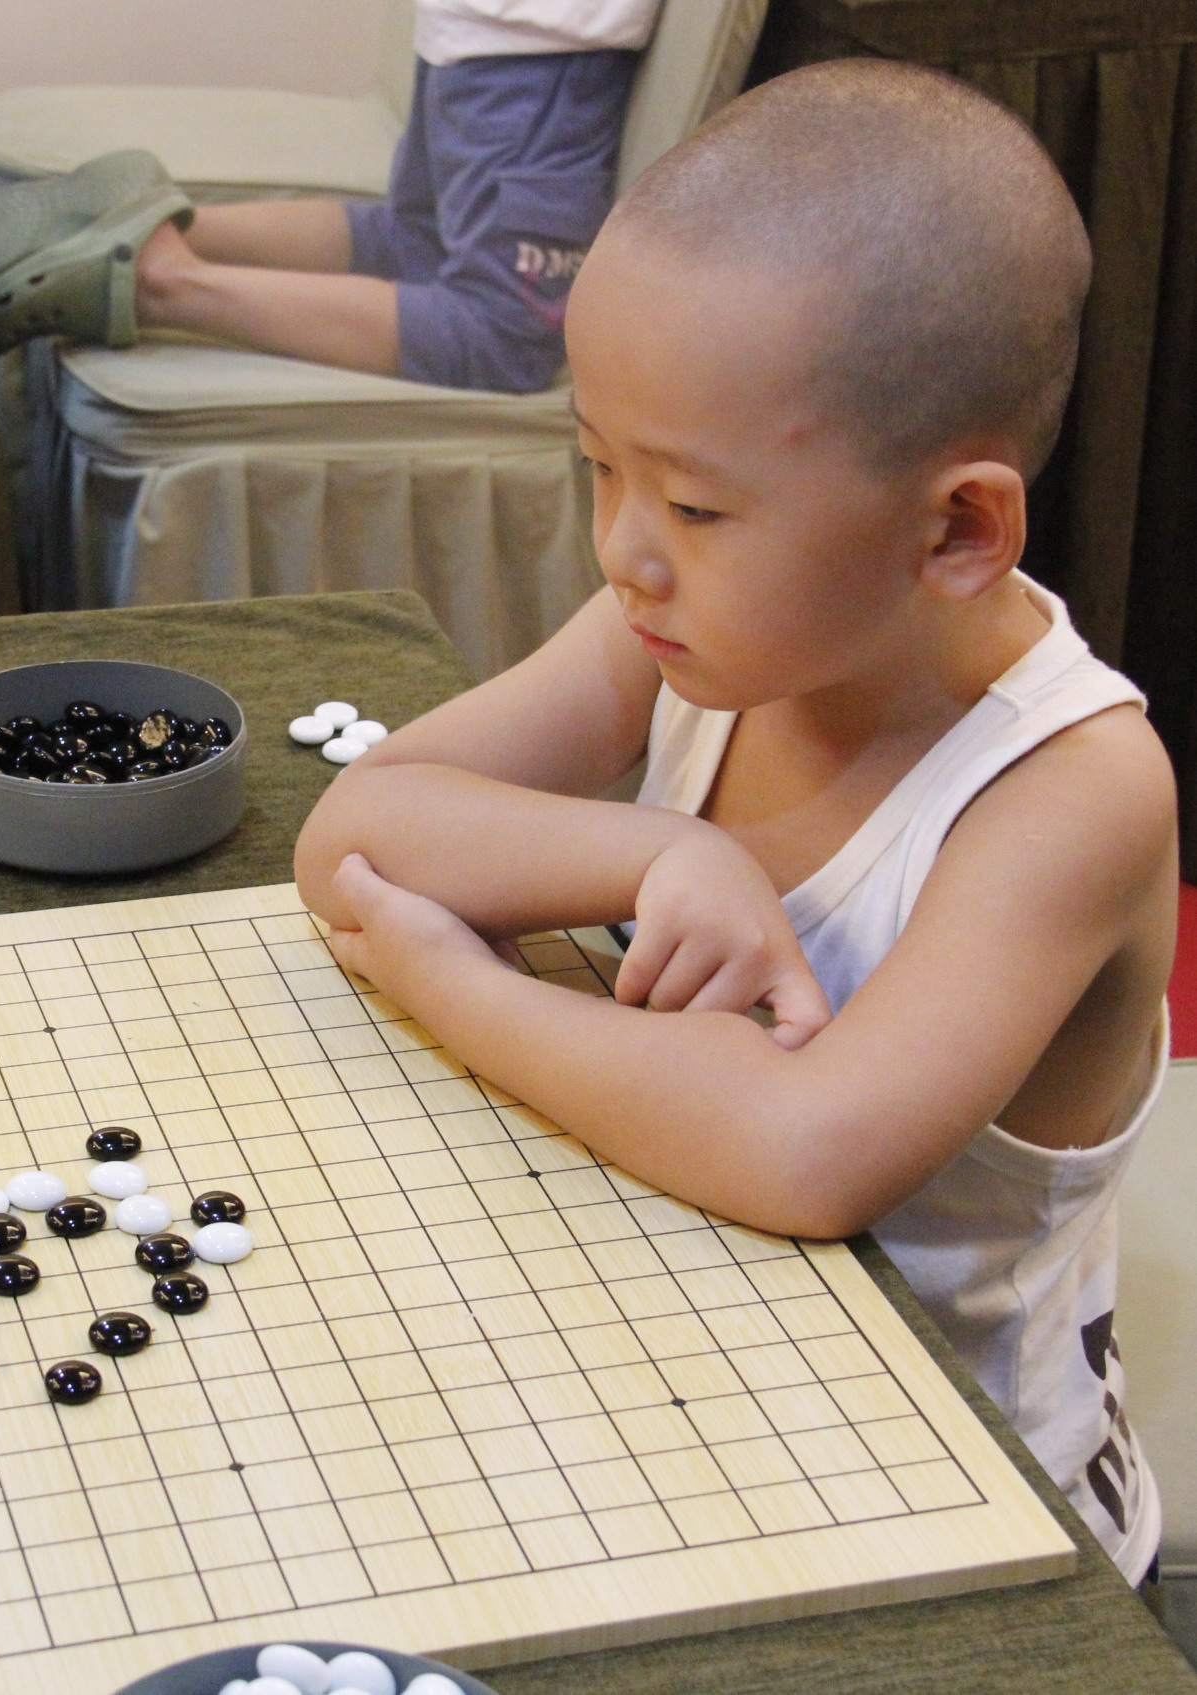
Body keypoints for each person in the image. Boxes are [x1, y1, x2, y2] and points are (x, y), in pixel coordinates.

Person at [293, 60, 1175, 1587]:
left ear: (956, 527)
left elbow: (799, 1150)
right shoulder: (693, 635)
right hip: (698, 1382)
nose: (625, 551)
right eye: (597, 467)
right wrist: (655, 848)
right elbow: (357, 830)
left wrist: (446, 975)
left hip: (970, 1519)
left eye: (693, 507)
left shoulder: (1073, 789)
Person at [0, 0, 659, 390]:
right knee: (501, 334)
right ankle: (157, 282)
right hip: (546, 40)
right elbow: (505, 340)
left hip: (485, 31)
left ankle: (142, 221)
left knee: (419, 243)